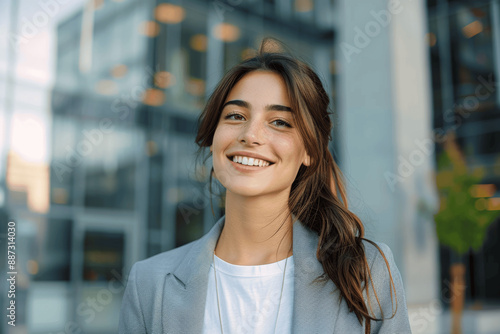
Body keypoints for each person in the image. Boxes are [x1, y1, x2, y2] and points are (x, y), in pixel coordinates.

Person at [118, 37, 412, 334]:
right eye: (235, 116)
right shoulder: (149, 284)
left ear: (310, 150)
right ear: (213, 136)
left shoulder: (365, 271)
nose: (250, 135)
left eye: (280, 122)